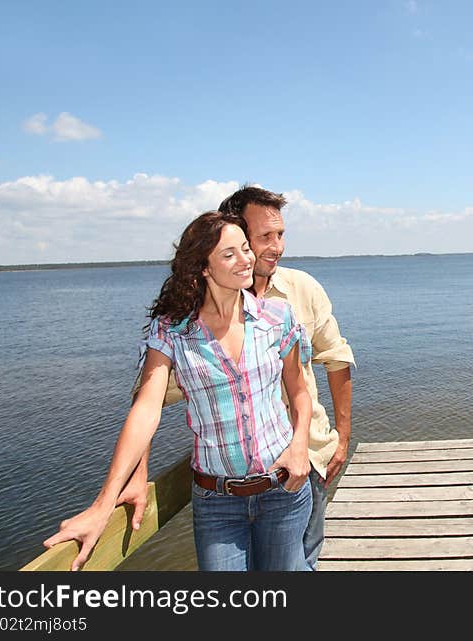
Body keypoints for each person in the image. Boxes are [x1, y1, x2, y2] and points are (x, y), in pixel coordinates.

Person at [44, 211, 313, 571]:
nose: (246, 259)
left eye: (245, 248)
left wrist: (299, 449)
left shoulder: (276, 317)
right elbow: (145, 409)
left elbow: (298, 390)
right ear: (202, 266)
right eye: (229, 253)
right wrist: (103, 503)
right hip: (217, 502)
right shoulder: (172, 331)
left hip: (284, 491)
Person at [119, 186, 355, 570]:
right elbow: (150, 399)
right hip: (229, 485)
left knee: (307, 563)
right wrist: (138, 472)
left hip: (307, 460)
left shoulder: (301, 291)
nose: (276, 247)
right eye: (263, 237)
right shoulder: (193, 324)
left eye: (280, 235)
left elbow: (336, 357)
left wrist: (341, 439)